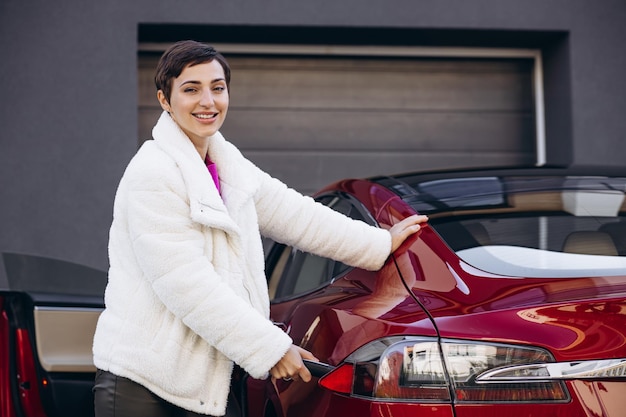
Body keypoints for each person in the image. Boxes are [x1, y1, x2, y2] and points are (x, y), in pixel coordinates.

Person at [92, 40, 428, 417]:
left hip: (205, 386)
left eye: (217, 88)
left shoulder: (225, 161)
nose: (208, 101)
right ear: (165, 100)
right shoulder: (152, 173)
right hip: (145, 388)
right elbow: (186, 284)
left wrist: (377, 243)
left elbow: (295, 214)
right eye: (191, 89)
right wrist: (270, 348)